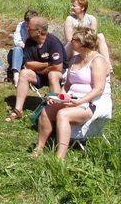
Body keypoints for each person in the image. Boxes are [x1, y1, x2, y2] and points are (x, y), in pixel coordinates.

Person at [32, 27, 111, 160]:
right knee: (47, 110)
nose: (71, 41)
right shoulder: (74, 59)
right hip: (72, 99)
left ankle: (59, 158)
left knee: (63, 114)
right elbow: (67, 85)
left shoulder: (97, 60)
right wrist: (58, 98)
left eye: (74, 39)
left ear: (83, 43)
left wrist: (80, 101)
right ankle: (39, 148)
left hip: (92, 103)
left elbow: (99, 89)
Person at [5, 16, 65, 122]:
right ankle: (18, 110)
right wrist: (48, 64)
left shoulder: (53, 42)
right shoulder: (29, 42)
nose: (27, 29)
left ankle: (55, 110)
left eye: (29, 28)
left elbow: (58, 67)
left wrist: (42, 68)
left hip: (58, 76)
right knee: (24, 73)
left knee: (53, 75)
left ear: (39, 32)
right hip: (40, 75)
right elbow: (28, 64)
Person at [60, 0, 112, 74]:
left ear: (82, 8)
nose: (71, 7)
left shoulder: (91, 19)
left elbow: (92, 38)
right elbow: (69, 39)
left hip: (87, 45)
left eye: (74, 6)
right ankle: (75, 67)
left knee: (100, 36)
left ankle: (108, 65)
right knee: (74, 42)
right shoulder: (69, 19)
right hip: (71, 47)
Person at [8, 10, 40, 87]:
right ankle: (16, 76)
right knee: (17, 49)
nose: (27, 25)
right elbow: (17, 40)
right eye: (26, 23)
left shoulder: (39, 27)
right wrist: (24, 45)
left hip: (35, 50)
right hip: (23, 48)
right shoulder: (21, 25)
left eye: (29, 23)